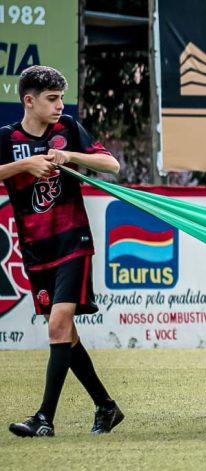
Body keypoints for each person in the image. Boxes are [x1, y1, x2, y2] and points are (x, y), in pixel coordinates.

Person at [1, 66, 124, 438]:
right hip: (36, 251)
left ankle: (44, 418)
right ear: (29, 100)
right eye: (52, 99)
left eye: (61, 98)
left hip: (73, 243)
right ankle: (106, 405)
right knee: (65, 333)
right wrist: (25, 165)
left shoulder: (67, 128)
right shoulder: (7, 138)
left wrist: (69, 156)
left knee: (57, 325)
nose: (59, 106)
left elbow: (112, 165)